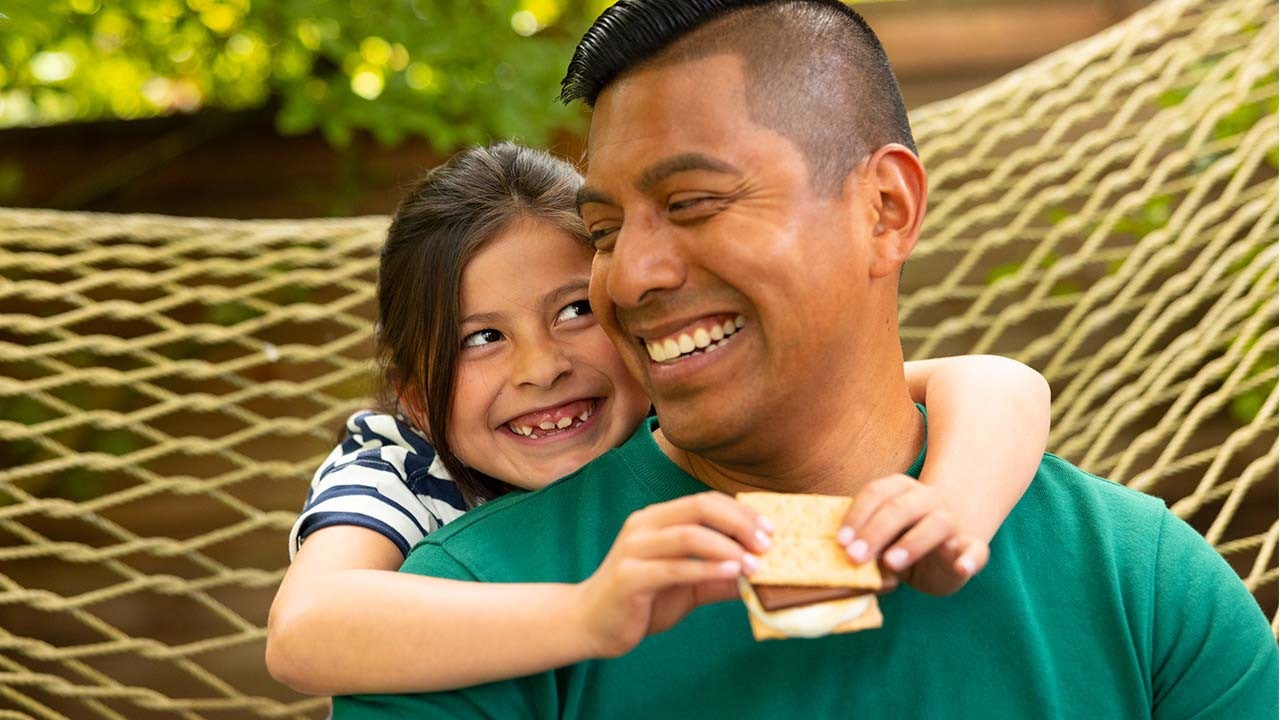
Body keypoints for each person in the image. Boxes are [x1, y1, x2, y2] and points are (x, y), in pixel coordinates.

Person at [331, 1, 1279, 717]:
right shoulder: (462, 617)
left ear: (886, 211)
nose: (631, 277)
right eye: (607, 229)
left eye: (695, 203)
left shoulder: (1142, 584)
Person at [267, 142, 1054, 694]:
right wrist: (589, 612)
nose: (539, 368)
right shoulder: (398, 469)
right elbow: (304, 632)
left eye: (575, 309)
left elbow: (998, 383)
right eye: (482, 339)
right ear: (414, 398)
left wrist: (951, 515)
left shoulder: (678, 422)